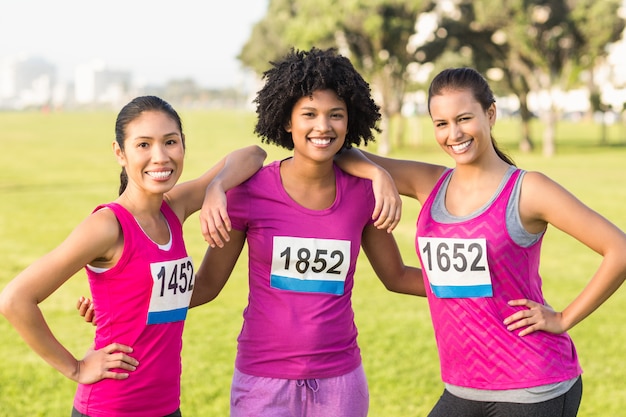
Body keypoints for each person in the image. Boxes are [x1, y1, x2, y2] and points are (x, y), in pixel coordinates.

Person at [334, 67, 626, 417]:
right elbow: (344, 154)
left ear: (490, 114)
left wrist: (562, 318)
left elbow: (619, 250)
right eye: (441, 123)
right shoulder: (429, 183)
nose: (453, 134)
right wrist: (377, 175)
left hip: (533, 386)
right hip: (463, 386)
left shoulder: (528, 190)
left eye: (464, 118)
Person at [190, 47, 425, 417]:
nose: (323, 126)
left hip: (340, 384)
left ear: (349, 123)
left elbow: (396, 276)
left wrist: (477, 283)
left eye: (336, 115)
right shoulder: (249, 191)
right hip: (262, 383)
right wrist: (128, 296)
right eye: (309, 115)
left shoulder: (364, 194)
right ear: (287, 121)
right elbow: (205, 286)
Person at [0, 95, 266, 417]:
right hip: (111, 407)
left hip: (166, 406)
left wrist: (216, 187)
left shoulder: (174, 208)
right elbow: (15, 299)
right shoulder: (108, 226)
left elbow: (253, 154)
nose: (160, 156)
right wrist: (76, 369)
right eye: (143, 145)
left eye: (170, 142)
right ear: (119, 153)